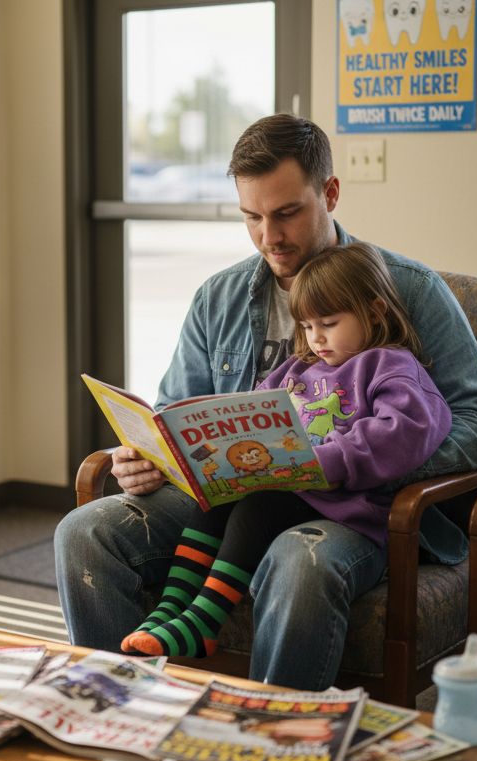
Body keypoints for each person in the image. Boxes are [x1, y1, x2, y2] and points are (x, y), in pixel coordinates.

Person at [55, 113, 477, 691]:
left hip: (352, 506)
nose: (270, 236)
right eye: (252, 217)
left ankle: (270, 739)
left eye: (287, 213)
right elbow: (174, 414)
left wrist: (353, 463)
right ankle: (121, 719)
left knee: (299, 561)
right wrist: (147, 457)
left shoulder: (407, 289)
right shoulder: (218, 297)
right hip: (236, 495)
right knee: (84, 533)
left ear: (331, 194)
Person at [120, 243, 451, 660]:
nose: (316, 338)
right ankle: (172, 609)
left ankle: (203, 620)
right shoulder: (298, 368)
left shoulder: (391, 366)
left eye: (329, 323)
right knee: (217, 501)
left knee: (260, 507)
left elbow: (406, 432)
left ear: (374, 311)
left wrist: (324, 460)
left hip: (348, 504)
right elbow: (257, 409)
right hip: (292, 488)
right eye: (307, 326)